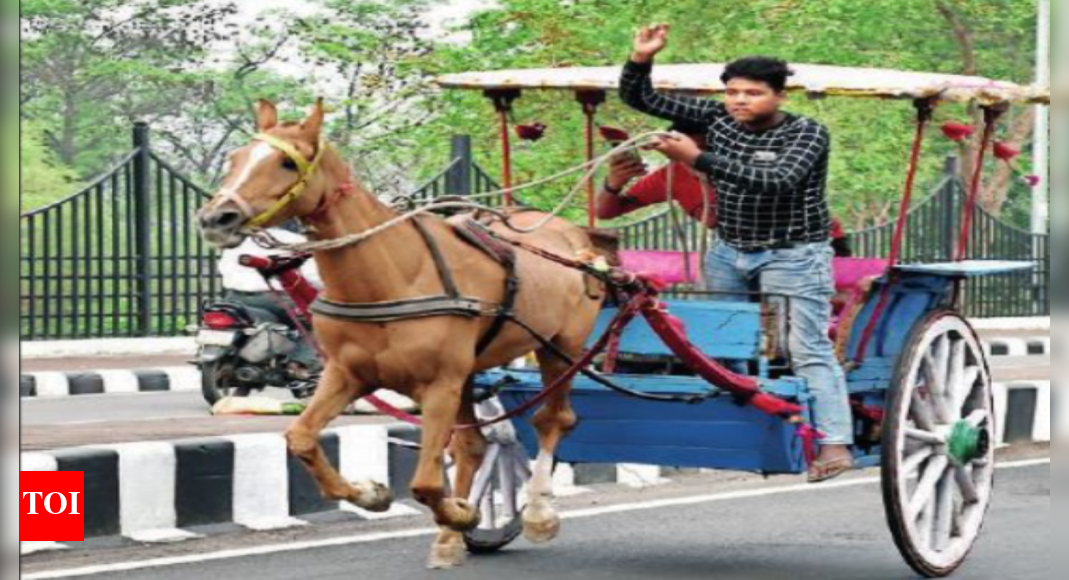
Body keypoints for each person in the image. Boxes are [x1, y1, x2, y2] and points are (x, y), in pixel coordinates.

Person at [620, 24, 855, 483]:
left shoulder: (807, 134)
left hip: (794, 254)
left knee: (803, 347)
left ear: (779, 96)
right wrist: (641, 58)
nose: (739, 101)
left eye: (752, 93)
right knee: (724, 341)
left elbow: (777, 180)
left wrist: (697, 160)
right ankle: (749, 420)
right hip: (730, 250)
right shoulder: (716, 120)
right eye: (731, 93)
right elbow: (641, 99)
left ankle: (834, 443)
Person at [216, 223, 324, 377]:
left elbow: (223, 267)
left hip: (234, 297)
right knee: (318, 323)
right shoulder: (296, 240)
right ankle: (299, 364)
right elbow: (313, 277)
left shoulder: (238, 239)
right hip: (275, 298)